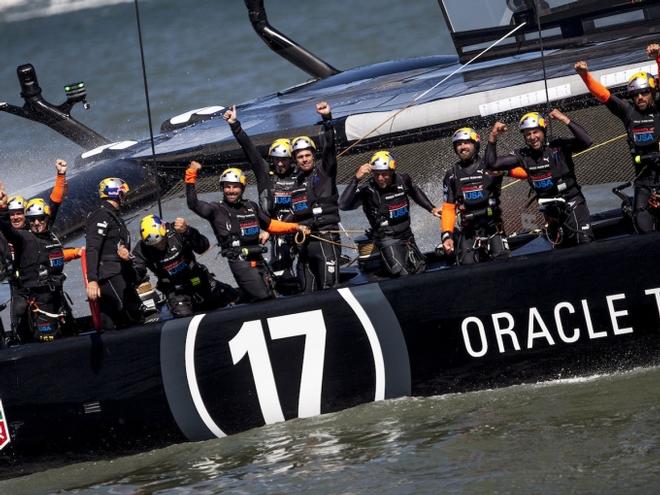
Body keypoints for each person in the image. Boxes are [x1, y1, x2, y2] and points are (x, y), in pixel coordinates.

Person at [185, 161, 309, 302]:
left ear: (242, 188)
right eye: (227, 187)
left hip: (259, 260)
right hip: (240, 263)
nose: (231, 191)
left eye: (235, 187)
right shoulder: (215, 209)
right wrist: (191, 173)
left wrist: (296, 227)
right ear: (222, 188)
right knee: (264, 298)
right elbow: (192, 203)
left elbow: (270, 225)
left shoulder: (251, 206)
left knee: (275, 293)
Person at [574, 43, 660, 233]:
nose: (640, 98)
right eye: (635, 94)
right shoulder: (628, 112)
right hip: (644, 182)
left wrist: (658, 58)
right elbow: (604, 95)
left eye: (645, 93)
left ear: (653, 92)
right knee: (641, 220)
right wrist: (584, 75)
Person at [485, 109, 594, 248]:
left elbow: (587, 141)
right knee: (562, 251)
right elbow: (491, 164)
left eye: (536, 132)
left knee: (585, 244)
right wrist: (493, 136)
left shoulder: (558, 145)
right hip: (551, 212)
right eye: (528, 134)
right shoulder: (523, 155)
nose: (532, 137)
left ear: (543, 130)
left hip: (572, 204)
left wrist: (563, 119)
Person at [223, 105, 299, 292]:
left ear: (292, 159)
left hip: (298, 228)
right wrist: (235, 125)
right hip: (273, 230)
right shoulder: (265, 173)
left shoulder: (300, 177)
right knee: (280, 270)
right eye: (276, 159)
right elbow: (249, 149)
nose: (280, 163)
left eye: (284, 159)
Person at [339, 150, 440, 276]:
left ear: (392, 171)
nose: (380, 178)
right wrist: (356, 179)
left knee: (420, 269)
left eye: (384, 174)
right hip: (387, 239)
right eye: (376, 174)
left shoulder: (403, 179)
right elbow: (343, 205)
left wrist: (432, 208)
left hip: (407, 236)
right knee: (402, 273)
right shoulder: (368, 191)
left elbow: (415, 192)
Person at [4, 159, 70, 344]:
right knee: (20, 322)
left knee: (64, 324)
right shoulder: (12, 236)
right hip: (21, 288)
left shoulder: (34, 231)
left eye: (20, 213)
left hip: (46, 289)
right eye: (12, 214)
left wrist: (60, 175)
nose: (16, 217)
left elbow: (54, 204)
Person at [0, 193, 80, 342]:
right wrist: (3, 208)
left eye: (40, 219)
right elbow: (7, 230)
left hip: (57, 295)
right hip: (36, 298)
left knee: (71, 331)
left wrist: (77, 252)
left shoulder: (50, 237)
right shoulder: (24, 238)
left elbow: (54, 205)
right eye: (32, 220)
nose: (36, 223)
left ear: (48, 219)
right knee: (45, 338)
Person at [441, 127, 527, 264]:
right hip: (468, 230)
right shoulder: (451, 174)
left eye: (466, 142)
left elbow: (527, 173)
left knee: (502, 262)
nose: (462, 147)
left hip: (493, 228)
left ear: (475, 144)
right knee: (466, 265)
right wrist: (446, 235)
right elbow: (448, 208)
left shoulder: (492, 165)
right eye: (458, 144)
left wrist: (504, 172)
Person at [132, 214, 239, 317]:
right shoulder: (141, 249)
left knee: (233, 296)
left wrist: (189, 231)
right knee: (183, 314)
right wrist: (128, 263)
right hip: (176, 290)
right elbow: (137, 273)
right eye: (154, 245)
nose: (159, 246)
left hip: (198, 278)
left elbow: (203, 247)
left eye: (161, 241)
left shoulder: (177, 231)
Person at [289, 101, 341, 292]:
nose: (304, 159)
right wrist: (271, 229)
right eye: (300, 156)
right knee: (306, 291)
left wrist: (327, 119)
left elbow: (330, 147)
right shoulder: (295, 182)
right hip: (304, 244)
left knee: (329, 288)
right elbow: (292, 213)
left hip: (326, 238)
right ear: (295, 160)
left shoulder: (325, 172)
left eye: (307, 155)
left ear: (313, 155)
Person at [85, 177, 143, 330]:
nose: (125, 196)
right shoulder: (101, 215)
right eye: (123, 193)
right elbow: (92, 248)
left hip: (120, 271)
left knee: (126, 316)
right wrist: (92, 280)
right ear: (115, 193)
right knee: (129, 313)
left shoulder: (115, 217)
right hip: (109, 274)